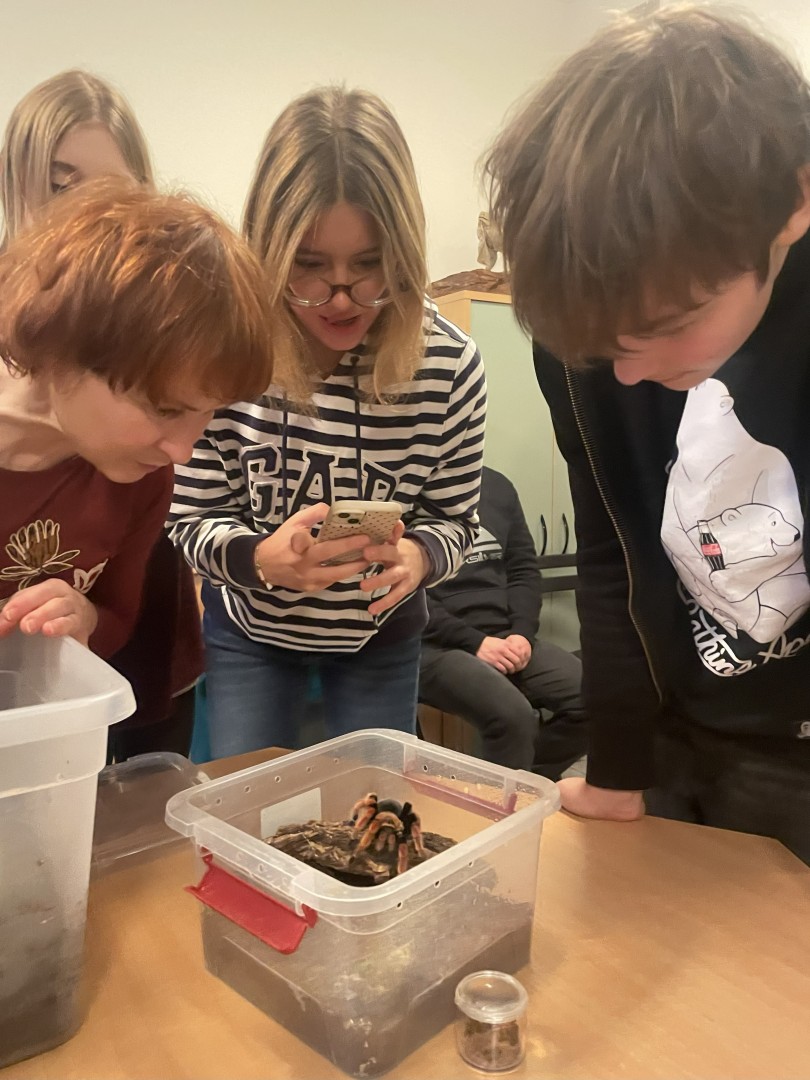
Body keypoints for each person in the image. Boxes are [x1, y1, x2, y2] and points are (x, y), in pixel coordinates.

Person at [484, 4, 810, 863]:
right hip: (679, 727)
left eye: (669, 325)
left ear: (795, 203)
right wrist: (619, 766)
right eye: (601, 348)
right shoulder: (587, 340)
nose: (627, 375)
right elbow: (612, 554)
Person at [169, 86, 487, 759]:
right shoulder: (225, 345)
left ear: (404, 254)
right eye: (308, 268)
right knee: (246, 801)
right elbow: (189, 518)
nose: (341, 299)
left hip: (381, 637)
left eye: (370, 267)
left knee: (376, 806)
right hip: (250, 632)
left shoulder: (450, 364)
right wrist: (258, 559)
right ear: (269, 251)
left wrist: (418, 556)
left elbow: (457, 522)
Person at [0, 70, 205, 760]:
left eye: (114, 196)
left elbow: (114, 610)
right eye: (61, 187)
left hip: (83, 708)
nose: (84, 219)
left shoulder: (145, 462)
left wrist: (85, 615)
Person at [0, 182, 274, 698]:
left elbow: (117, 619)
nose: (182, 452)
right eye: (166, 409)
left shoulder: (141, 477)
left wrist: (82, 618)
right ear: (63, 347)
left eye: (208, 412)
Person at [419, 465, 586, 779]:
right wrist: (475, 642)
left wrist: (522, 633)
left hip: (506, 636)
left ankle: (527, 782)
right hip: (432, 645)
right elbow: (402, 593)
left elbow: (524, 570)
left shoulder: (496, 485)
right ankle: (507, 797)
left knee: (594, 698)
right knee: (513, 716)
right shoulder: (403, 490)